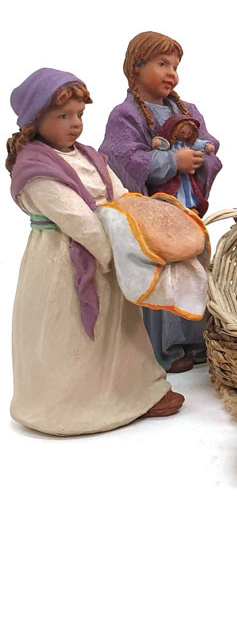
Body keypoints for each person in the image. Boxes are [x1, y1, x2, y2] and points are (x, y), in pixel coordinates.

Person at [7, 68, 183, 435]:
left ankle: (135, 391)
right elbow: (78, 220)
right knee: (71, 333)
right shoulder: (36, 169)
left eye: (79, 115)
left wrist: (143, 222)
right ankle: (72, 404)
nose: (75, 124)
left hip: (111, 251)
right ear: (35, 121)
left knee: (121, 330)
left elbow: (120, 195)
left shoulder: (89, 156)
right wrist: (121, 253)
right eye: (63, 116)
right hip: (65, 264)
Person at [100, 32, 221, 373]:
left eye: (175, 67)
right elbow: (121, 157)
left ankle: (197, 340)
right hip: (154, 217)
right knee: (162, 276)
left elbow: (210, 145)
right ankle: (165, 347)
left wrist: (199, 158)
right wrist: (170, 162)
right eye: (162, 64)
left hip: (186, 209)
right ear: (135, 68)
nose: (171, 73)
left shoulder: (187, 110)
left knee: (195, 270)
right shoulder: (125, 115)